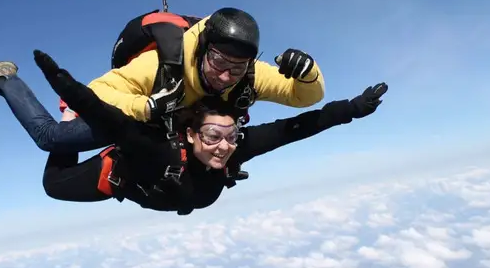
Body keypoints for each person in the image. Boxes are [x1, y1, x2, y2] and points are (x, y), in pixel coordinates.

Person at [34, 50, 388, 215]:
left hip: (165, 191)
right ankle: (9, 83)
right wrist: (65, 86)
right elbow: (110, 119)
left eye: (231, 136)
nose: (224, 147)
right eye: (214, 136)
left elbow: (296, 128)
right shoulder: (158, 148)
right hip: (126, 175)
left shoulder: (237, 148)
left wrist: (353, 109)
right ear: (190, 135)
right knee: (54, 184)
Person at [0, 8, 325, 159]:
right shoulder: (160, 65)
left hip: (178, 124)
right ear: (203, 51)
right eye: (218, 62)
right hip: (137, 112)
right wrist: (146, 107)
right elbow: (98, 91)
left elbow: (303, 96)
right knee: (53, 141)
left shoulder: (248, 74)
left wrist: (309, 74)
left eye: (239, 66)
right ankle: (3, 77)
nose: (227, 75)